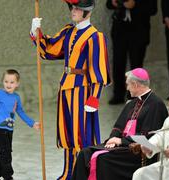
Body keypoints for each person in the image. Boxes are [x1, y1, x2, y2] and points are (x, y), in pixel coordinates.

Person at [30, 0, 111, 179]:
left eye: (77, 8)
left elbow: (99, 70)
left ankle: (82, 174)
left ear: (87, 11)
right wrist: (36, 33)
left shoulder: (95, 36)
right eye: (72, 7)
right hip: (66, 86)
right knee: (67, 134)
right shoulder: (69, 31)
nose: (73, 11)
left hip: (82, 90)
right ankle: (68, 173)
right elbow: (49, 50)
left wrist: (94, 98)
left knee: (82, 135)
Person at [71, 68, 169, 180]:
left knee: (103, 158)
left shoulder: (156, 104)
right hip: (121, 146)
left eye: (128, 85)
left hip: (136, 151)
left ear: (135, 84)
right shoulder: (132, 103)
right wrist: (113, 139)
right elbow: (118, 126)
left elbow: (149, 137)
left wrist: (121, 141)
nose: (127, 88)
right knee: (85, 153)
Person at [0, 69, 40, 180]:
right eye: (6, 81)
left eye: (12, 82)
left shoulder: (16, 97)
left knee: (4, 153)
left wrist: (32, 123)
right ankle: (8, 176)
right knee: (6, 155)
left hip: (9, 131)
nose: (8, 84)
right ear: (3, 82)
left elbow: (20, 112)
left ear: (17, 84)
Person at [106, 0, 158, 104]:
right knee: (118, 62)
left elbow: (153, 9)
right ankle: (118, 94)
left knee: (137, 64)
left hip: (138, 30)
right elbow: (108, 4)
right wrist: (114, 3)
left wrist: (135, 5)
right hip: (120, 30)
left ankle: (135, 94)